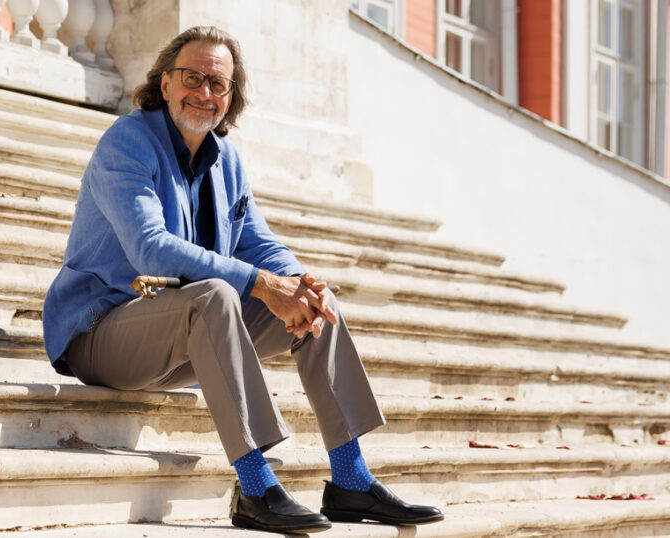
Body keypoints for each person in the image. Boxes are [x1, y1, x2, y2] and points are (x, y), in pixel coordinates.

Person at [42, 25, 443, 534]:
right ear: (165, 83)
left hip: (182, 336)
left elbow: (257, 242)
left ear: (231, 97)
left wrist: (298, 282)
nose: (205, 92)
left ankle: (350, 479)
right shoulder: (127, 142)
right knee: (214, 296)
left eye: (219, 84)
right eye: (193, 77)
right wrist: (263, 285)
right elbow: (151, 248)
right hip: (102, 333)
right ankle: (255, 488)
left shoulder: (225, 159)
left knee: (318, 303)